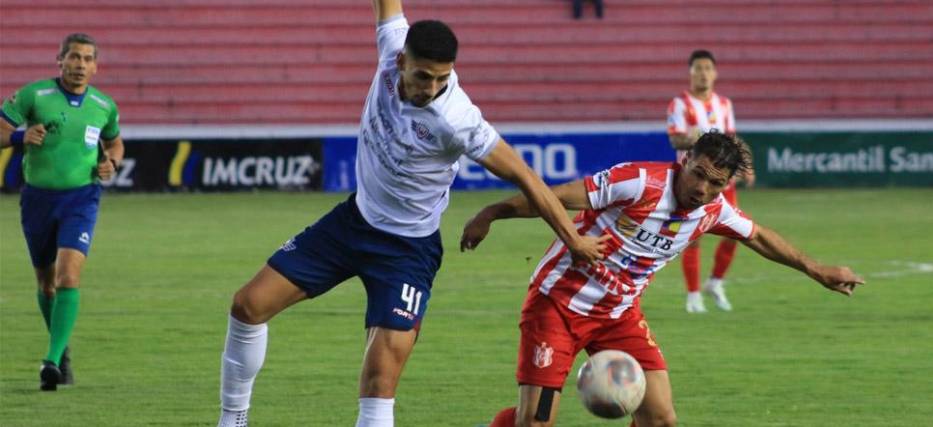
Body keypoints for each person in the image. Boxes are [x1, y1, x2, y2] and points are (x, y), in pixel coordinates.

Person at [215, 1, 607, 426]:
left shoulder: (458, 119)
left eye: (442, 78)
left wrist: (574, 239)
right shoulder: (390, 49)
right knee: (247, 306)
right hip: (352, 224)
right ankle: (232, 420)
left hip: (408, 250)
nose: (432, 87)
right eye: (423, 76)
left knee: (379, 377)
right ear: (402, 60)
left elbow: (527, 177)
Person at [462, 132, 864, 427]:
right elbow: (558, 195)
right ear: (686, 159)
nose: (703, 189)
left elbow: (757, 236)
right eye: (699, 174)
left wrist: (815, 269)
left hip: (618, 316)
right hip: (557, 306)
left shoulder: (712, 210)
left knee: (660, 419)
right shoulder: (638, 182)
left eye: (716, 183)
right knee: (534, 423)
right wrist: (492, 213)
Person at [0, 33, 124, 391]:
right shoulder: (34, 95)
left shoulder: (104, 105)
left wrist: (112, 162)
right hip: (37, 199)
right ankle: (62, 347)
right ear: (60, 60)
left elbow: (114, 141)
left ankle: (52, 362)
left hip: (81, 199)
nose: (80, 65)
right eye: (74, 57)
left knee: (67, 277)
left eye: (87, 59)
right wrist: (20, 137)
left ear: (96, 66)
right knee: (45, 282)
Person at [666, 49, 754, 313]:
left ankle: (715, 282)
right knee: (693, 236)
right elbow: (676, 140)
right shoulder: (679, 105)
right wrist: (699, 138)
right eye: (698, 68)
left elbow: (732, 139)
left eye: (707, 68)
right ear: (690, 72)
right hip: (694, 180)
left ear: (714, 73)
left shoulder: (724, 104)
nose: (703, 73)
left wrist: (747, 165)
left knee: (737, 233)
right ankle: (693, 296)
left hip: (723, 181)